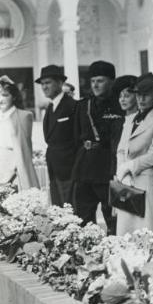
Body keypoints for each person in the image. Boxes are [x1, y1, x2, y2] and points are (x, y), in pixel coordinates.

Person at [115, 72, 153, 236]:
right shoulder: (131, 120)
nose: (141, 99)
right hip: (126, 182)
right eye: (138, 94)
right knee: (126, 233)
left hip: (145, 179)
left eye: (146, 94)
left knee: (146, 232)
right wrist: (122, 172)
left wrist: (132, 166)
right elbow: (121, 149)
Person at [72, 61, 124, 234]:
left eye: (100, 80)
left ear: (111, 81)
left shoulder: (119, 106)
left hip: (107, 167)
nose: (94, 85)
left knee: (112, 216)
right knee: (84, 217)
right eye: (93, 80)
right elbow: (76, 138)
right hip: (85, 167)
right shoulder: (82, 105)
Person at [36, 65, 77, 206]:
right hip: (54, 168)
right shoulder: (50, 107)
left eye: (48, 83)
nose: (44, 87)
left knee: (71, 210)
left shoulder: (72, 106)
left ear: (60, 83)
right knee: (58, 211)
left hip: (69, 170)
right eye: (42, 84)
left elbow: (78, 139)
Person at [0, 76, 39, 190]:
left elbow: (25, 150)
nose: (0, 99)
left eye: (5, 95)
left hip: (15, 168)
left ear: (14, 97)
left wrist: (12, 171)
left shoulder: (24, 116)